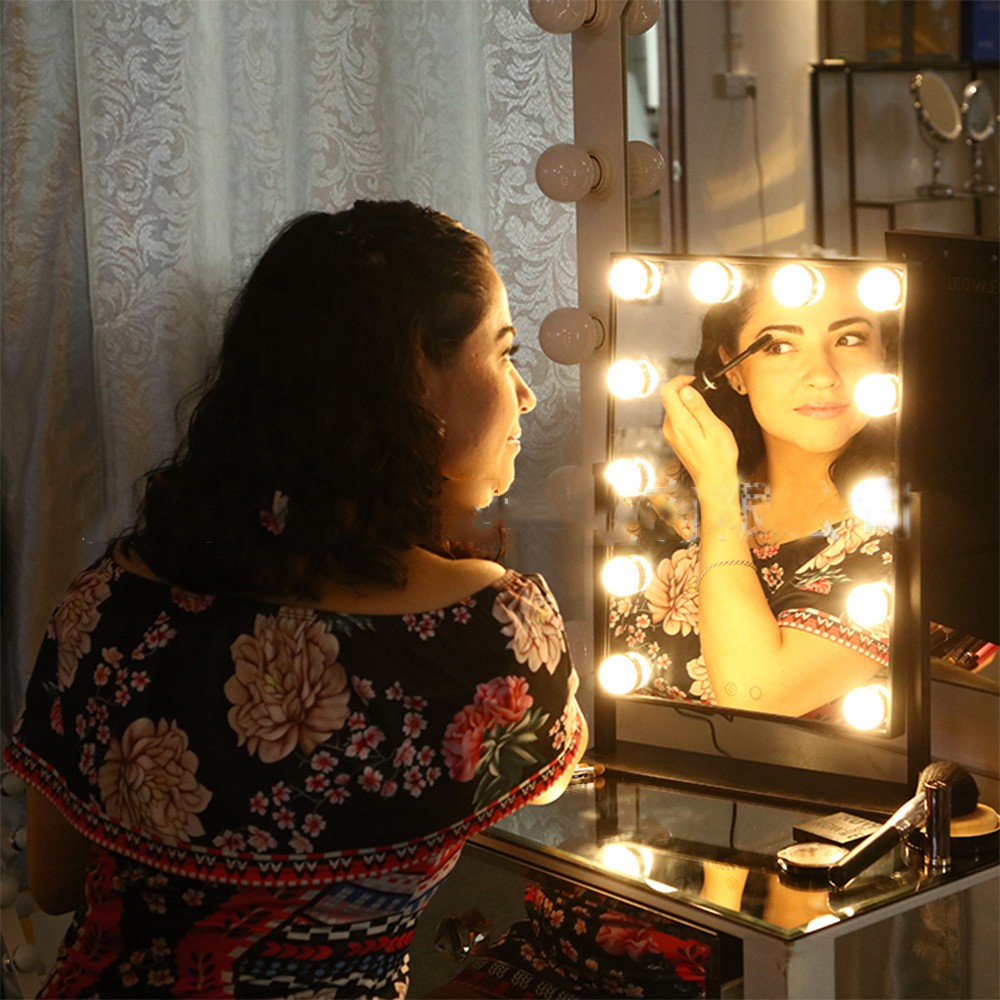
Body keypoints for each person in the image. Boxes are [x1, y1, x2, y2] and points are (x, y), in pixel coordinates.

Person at [3, 200, 586, 998]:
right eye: (505, 351)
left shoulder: (110, 602)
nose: (525, 394)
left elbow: (55, 883)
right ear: (413, 379)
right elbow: (548, 785)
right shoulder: (489, 629)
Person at [609, 266, 896, 719]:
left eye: (848, 339)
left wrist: (718, 491)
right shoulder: (658, 497)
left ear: (884, 355)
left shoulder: (900, 536)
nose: (822, 375)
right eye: (780, 346)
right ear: (735, 369)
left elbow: (750, 697)